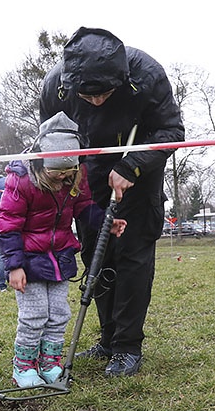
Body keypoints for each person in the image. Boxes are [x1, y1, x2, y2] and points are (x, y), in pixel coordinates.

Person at [40, 27, 185, 377]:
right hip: (87, 176)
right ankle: (107, 338)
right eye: (88, 96)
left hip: (138, 170)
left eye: (104, 93)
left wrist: (131, 165)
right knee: (95, 251)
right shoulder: (55, 86)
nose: (97, 102)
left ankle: (127, 346)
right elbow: (50, 138)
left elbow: (171, 133)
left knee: (132, 255)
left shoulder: (148, 75)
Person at [0, 112, 126, 387]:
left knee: (58, 314)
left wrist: (106, 223)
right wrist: (14, 266)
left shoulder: (74, 178)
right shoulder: (20, 180)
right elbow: (7, 225)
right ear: (42, 164)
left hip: (60, 257)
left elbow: (84, 207)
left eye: (68, 174)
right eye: (56, 174)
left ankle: (50, 363)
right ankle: (23, 367)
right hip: (29, 261)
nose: (62, 180)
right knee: (34, 316)